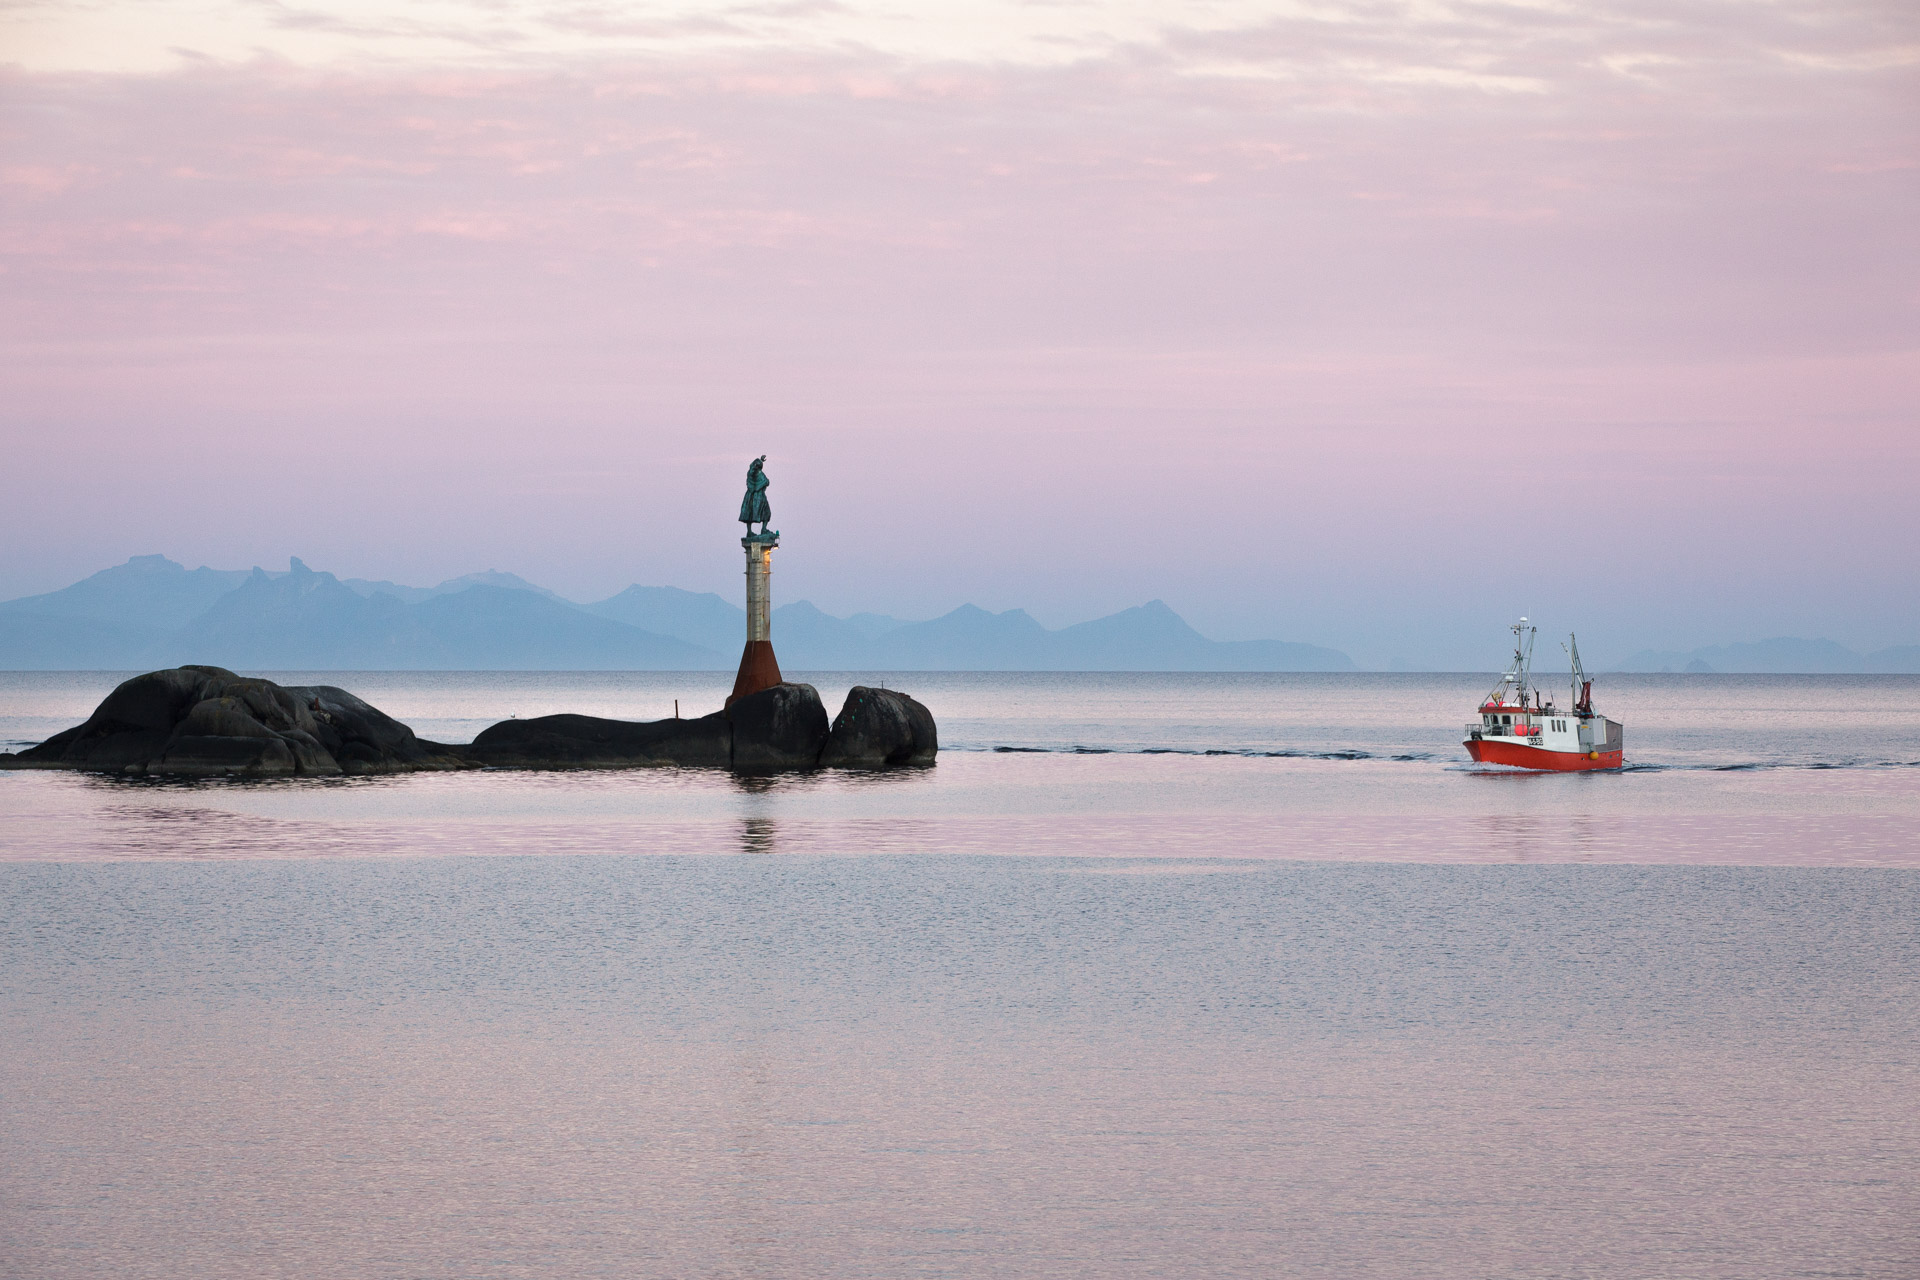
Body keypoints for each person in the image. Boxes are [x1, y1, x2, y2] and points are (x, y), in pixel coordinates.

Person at [739, 455, 772, 534]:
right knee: (763, 512)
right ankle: (761, 529)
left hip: (751, 495)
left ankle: (751, 531)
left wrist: (760, 460)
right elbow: (766, 482)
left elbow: (766, 482)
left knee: (750, 513)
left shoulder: (752, 473)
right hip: (758, 496)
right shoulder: (757, 474)